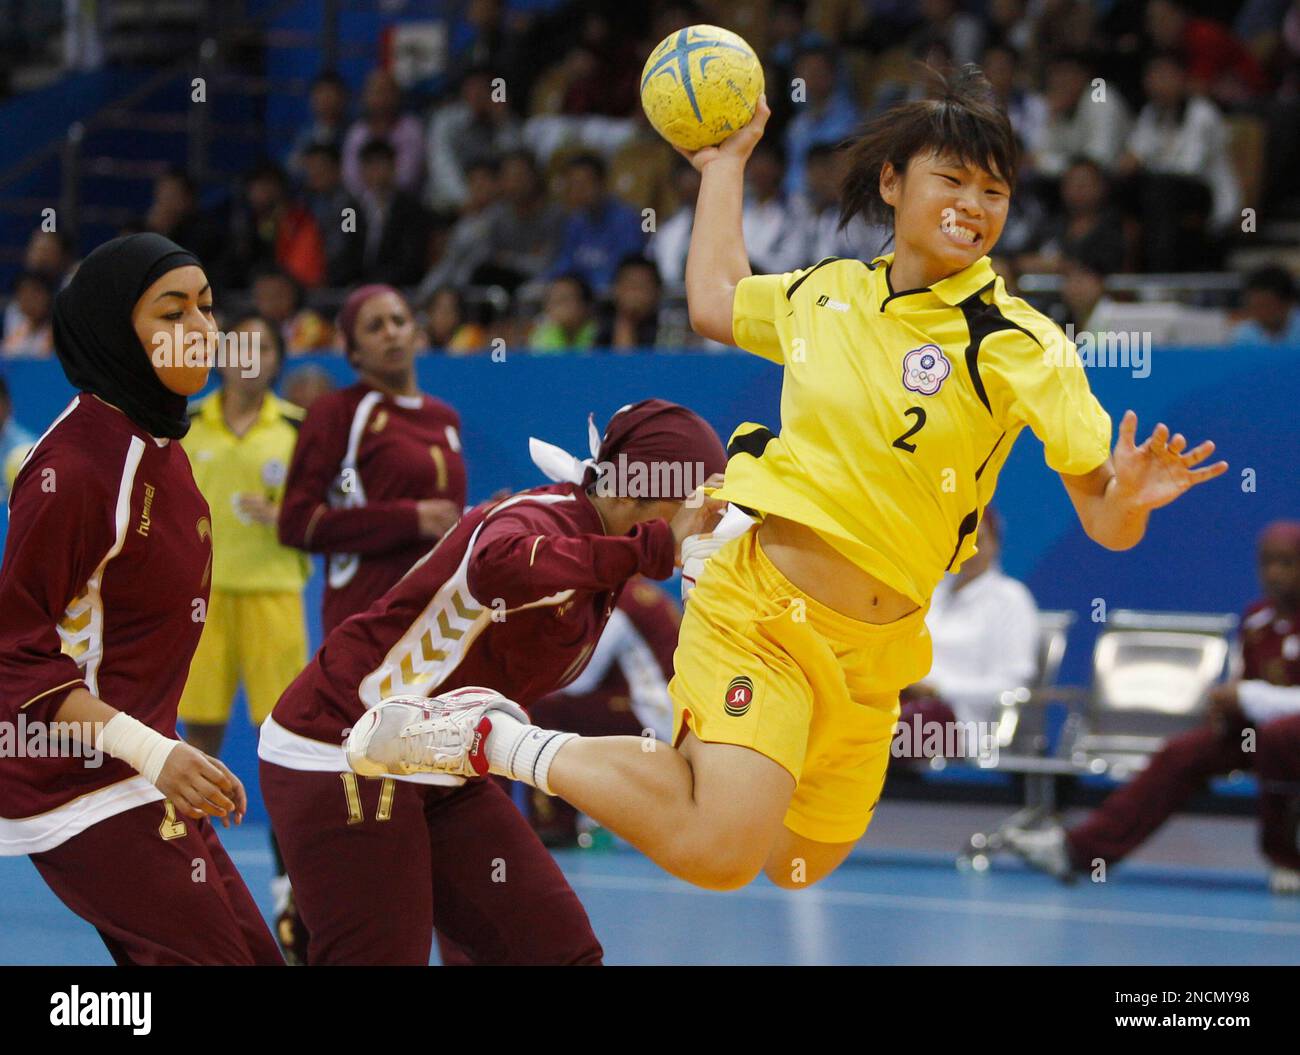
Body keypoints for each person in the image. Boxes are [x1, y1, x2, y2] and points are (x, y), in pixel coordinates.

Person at [353, 66, 1227, 894]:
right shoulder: (827, 294)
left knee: (794, 859)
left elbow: (1106, 523)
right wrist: (723, 166)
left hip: (877, 655)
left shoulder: (1024, 343)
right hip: (765, 608)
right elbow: (714, 299)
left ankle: (687, 764)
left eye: (994, 192)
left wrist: (1129, 499)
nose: (974, 205)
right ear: (892, 183)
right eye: (953, 180)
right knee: (722, 850)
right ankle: (489, 735)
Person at [261, 400, 726, 963]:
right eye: (695, 503)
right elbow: (496, 566)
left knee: (558, 953)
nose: (706, 522)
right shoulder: (542, 518)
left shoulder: (602, 552)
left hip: (440, 762)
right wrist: (648, 548)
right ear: (635, 493)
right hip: (344, 747)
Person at [0, 233, 281, 964]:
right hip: (74, 779)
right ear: (114, 328)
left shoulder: (156, 440)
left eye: (207, 308)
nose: (203, 329)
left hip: (138, 766)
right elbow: (13, 654)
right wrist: (150, 749)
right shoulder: (76, 467)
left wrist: (160, 747)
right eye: (172, 312)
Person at [1005, 521, 1300, 895]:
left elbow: (1252, 694)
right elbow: (1244, 688)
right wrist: (1228, 708)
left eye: (1286, 563)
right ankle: (1078, 851)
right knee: (1182, 753)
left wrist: (1248, 697)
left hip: (1285, 740)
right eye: (1267, 562)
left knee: (1277, 738)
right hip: (1256, 737)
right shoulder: (1257, 620)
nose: (1274, 573)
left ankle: (1287, 858)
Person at [277, 284, 466, 636]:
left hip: (439, 622)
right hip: (366, 620)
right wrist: (409, 519)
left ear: (416, 334)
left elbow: (444, 522)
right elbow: (297, 523)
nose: (391, 333)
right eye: (375, 327)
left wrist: (485, 518)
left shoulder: (445, 418)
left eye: (399, 321)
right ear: (353, 351)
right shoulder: (337, 413)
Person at [895, 509, 1039, 759]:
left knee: (888, 730)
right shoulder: (932, 592)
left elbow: (1011, 686)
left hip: (965, 724)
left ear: (995, 543)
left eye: (978, 541)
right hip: (909, 704)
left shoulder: (1011, 599)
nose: (969, 550)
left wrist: (938, 689)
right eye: (961, 541)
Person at [1232, 265, 1300, 345]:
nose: (1260, 313)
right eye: (1255, 307)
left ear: (1288, 303)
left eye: (1266, 306)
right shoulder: (1244, 334)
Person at [529, 274, 598, 353]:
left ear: (585, 305)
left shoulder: (599, 334)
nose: (556, 307)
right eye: (552, 300)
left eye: (563, 299)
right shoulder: (543, 335)